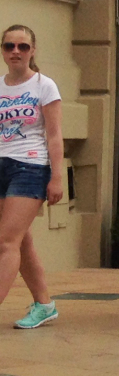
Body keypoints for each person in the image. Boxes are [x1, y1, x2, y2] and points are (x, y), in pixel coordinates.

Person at [0, 24, 63, 329]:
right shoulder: (0, 86)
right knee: (21, 242)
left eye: (22, 46)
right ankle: (44, 304)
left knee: (5, 241)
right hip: (1, 166)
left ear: (32, 50)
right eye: (9, 46)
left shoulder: (44, 86)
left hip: (31, 166)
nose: (15, 51)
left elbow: (54, 135)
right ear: (2, 50)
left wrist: (57, 177)